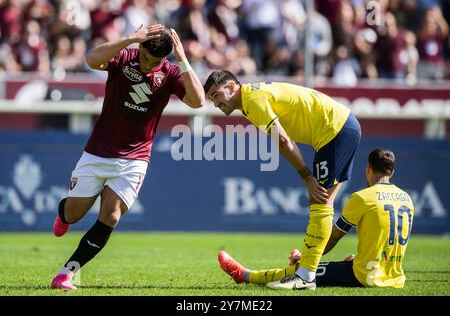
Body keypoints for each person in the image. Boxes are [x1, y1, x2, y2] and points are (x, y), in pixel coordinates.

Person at [50, 24, 205, 290]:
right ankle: (64, 216)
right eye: (144, 56)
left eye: (153, 61)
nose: (146, 64)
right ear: (140, 47)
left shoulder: (169, 73)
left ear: (164, 58)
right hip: (98, 151)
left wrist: (182, 58)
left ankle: (66, 273)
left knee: (110, 216)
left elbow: (198, 101)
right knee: (74, 214)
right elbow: (91, 59)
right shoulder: (125, 58)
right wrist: (130, 38)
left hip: (135, 158)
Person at [204, 70, 361, 289]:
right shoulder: (251, 99)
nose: (216, 104)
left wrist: (307, 177)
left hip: (334, 130)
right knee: (322, 204)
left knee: (320, 202)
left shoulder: (253, 99)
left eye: (216, 95)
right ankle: (305, 267)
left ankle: (305, 275)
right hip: (340, 127)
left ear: (231, 86)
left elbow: (284, 142)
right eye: (211, 100)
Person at [218, 149, 415, 289]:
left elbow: (334, 237)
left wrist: (308, 260)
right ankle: (300, 260)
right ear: (392, 172)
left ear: (368, 168)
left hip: (367, 276)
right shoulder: (407, 199)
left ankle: (243, 275)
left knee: (303, 271)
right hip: (394, 276)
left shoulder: (363, 197)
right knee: (326, 264)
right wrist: (363, 258)